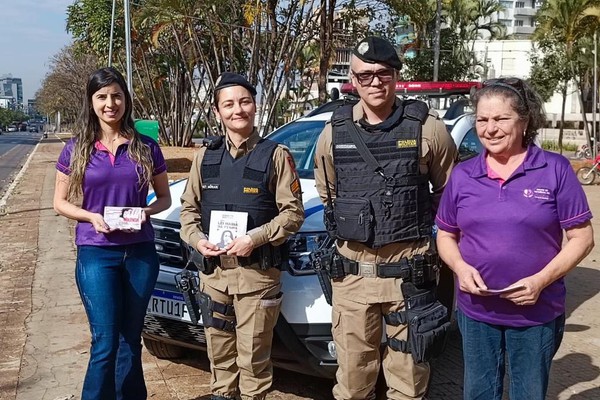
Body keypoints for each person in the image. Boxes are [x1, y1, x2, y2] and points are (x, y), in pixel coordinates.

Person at [314, 36, 458, 400]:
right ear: (353, 78)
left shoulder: (428, 129)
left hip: (408, 277)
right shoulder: (333, 132)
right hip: (352, 279)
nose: (375, 82)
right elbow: (329, 194)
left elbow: (449, 197)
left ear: (396, 75)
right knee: (352, 384)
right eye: (365, 76)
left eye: (383, 73)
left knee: (408, 385)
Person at [435, 77, 594, 400]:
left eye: (500, 119)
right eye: (482, 120)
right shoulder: (464, 175)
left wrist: (540, 281)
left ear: (523, 121)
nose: (490, 128)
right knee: (479, 393)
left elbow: (582, 238)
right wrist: (461, 268)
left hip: (536, 312)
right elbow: (446, 235)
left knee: (528, 394)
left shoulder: (555, 169)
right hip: (477, 312)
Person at [179, 72, 304, 400]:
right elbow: (188, 213)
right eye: (229, 104)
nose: (238, 110)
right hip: (214, 277)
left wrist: (256, 238)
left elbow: (293, 214)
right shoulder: (204, 157)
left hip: (256, 278)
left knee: (253, 363)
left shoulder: (275, 156)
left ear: (255, 106)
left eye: (245, 102)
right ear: (218, 111)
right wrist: (196, 240)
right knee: (219, 362)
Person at [53, 67, 172, 400]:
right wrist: (90, 216)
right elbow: (59, 202)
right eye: (102, 97)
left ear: (126, 100)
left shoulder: (146, 147)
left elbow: (164, 197)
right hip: (96, 252)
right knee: (104, 340)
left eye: (117, 95)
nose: (110, 103)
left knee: (131, 338)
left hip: (140, 253)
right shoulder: (76, 148)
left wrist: (145, 211)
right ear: (91, 102)